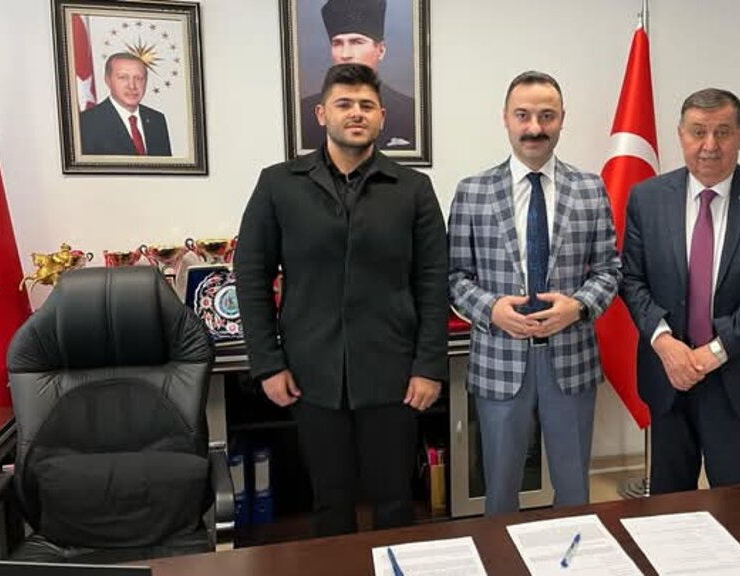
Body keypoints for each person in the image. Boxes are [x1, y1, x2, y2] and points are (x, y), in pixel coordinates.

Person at [234, 63, 447, 536]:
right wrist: (267, 364)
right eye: (344, 104)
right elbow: (250, 275)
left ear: (382, 117)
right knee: (330, 502)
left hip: (394, 373)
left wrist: (429, 366)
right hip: (311, 373)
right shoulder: (278, 184)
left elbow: (433, 281)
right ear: (321, 113)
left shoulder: (412, 189)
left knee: (395, 500)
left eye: (367, 105)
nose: (356, 113)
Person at [448, 71, 620, 515]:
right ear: (505, 118)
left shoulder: (590, 188)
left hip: (571, 359)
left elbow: (609, 270)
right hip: (500, 359)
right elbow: (454, 277)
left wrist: (578, 306)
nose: (534, 127)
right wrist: (491, 309)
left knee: (574, 491)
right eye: (523, 115)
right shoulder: (472, 192)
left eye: (547, 116)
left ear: (562, 119)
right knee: (500, 491)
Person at [620, 88, 740, 494]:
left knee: (736, 504)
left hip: (736, 376)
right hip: (668, 374)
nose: (709, 145)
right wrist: (664, 343)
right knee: (668, 503)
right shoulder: (647, 198)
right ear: (680, 134)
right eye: (698, 131)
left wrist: (715, 351)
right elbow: (631, 278)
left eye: (723, 132)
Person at [300, 0, 416, 151]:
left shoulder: (409, 111)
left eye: (357, 42)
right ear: (320, 114)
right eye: (337, 43)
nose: (346, 54)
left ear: (380, 50)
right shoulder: (304, 112)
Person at [79, 52, 171, 156]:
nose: (132, 86)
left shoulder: (157, 120)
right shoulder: (86, 123)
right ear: (108, 80)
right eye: (123, 77)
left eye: (138, 78)